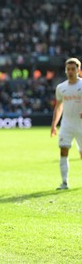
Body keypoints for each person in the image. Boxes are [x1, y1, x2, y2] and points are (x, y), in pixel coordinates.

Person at [50, 57, 82, 190]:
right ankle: (64, 182)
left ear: (78, 70)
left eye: (73, 69)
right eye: (68, 69)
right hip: (66, 125)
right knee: (63, 151)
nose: (70, 71)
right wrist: (54, 124)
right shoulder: (61, 87)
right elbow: (59, 107)